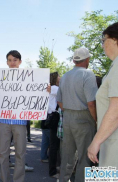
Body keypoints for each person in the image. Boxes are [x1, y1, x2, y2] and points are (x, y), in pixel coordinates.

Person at [57, 47, 97, 182]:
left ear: (74, 60)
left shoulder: (65, 76)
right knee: (85, 157)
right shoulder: (88, 74)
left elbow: (59, 101)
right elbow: (91, 103)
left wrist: (69, 111)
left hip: (67, 117)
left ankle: (63, 179)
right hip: (84, 117)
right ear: (87, 59)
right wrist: (96, 120)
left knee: (67, 156)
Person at [0, 50, 37, 182]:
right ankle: (5, 180)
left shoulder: (28, 78)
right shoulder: (0, 77)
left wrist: (45, 90)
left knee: (20, 154)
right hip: (3, 120)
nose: (12, 62)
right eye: (10, 60)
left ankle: (18, 180)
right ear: (7, 62)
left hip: (20, 122)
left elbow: (35, 93)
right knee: (3, 154)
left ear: (20, 62)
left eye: (15, 60)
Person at [88, 22, 118, 167]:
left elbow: (116, 109)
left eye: (103, 40)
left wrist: (96, 141)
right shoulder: (114, 66)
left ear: (115, 39)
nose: (102, 45)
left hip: (114, 142)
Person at [48, 72, 61, 179]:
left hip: (51, 117)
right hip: (55, 117)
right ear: (55, 78)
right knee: (54, 146)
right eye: (59, 76)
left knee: (53, 145)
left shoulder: (51, 88)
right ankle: (52, 171)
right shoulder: (55, 89)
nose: (60, 77)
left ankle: (53, 168)